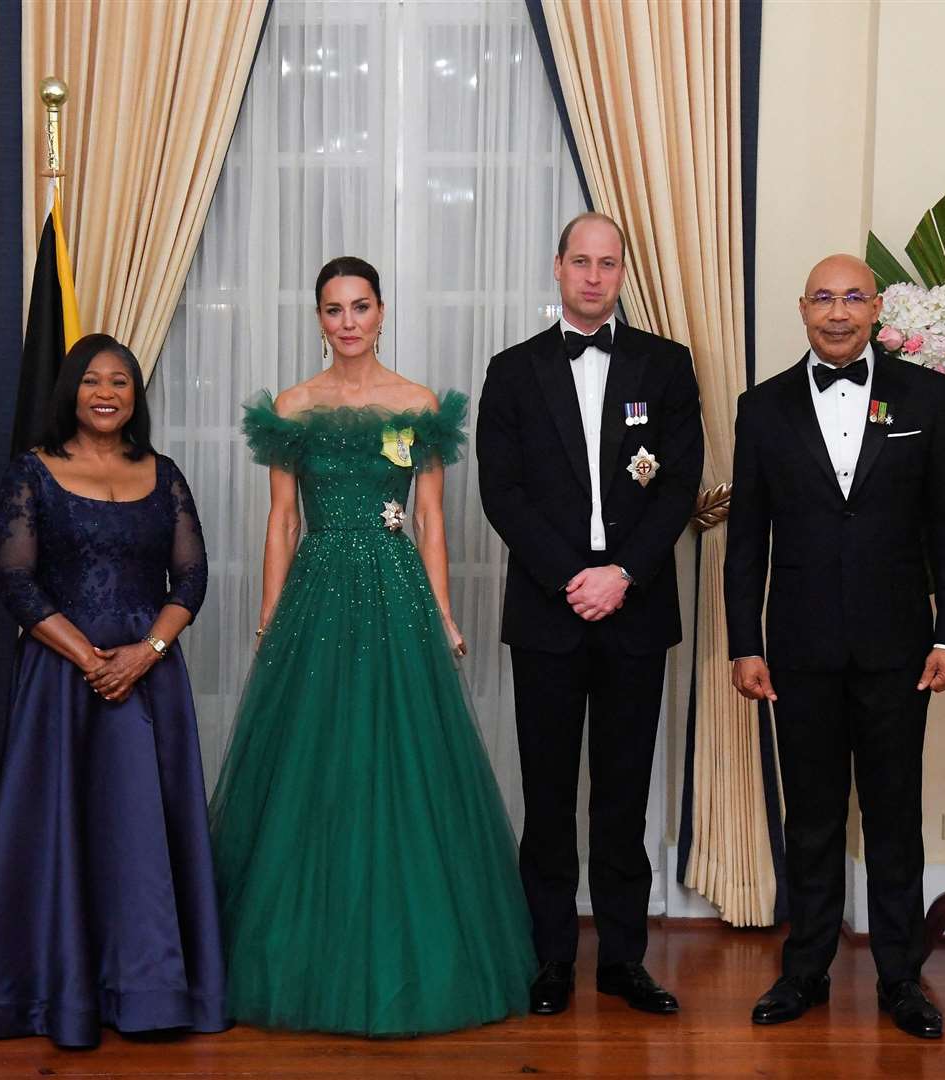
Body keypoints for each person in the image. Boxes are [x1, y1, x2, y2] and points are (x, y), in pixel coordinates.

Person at [207, 256, 536, 1037]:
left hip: (395, 594)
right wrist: (267, 616)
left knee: (402, 764)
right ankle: (300, 956)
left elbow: (430, 521)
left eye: (360, 307)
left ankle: (418, 955)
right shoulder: (294, 406)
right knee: (310, 769)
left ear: (382, 312)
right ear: (318, 319)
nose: (347, 321)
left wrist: (447, 615)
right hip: (317, 593)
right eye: (333, 309)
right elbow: (282, 520)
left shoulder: (416, 404)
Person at [0, 334, 227, 1048]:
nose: (108, 392)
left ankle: (149, 989)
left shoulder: (163, 473)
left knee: (140, 834)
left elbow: (190, 578)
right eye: (94, 380)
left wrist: (146, 653)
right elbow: (14, 580)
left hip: (149, 677)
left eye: (122, 382)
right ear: (71, 390)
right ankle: (51, 995)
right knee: (59, 828)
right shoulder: (32, 472)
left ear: (136, 396)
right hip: (60, 676)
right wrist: (90, 658)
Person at [723, 254, 945, 1040]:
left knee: (895, 818)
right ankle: (805, 973)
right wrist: (744, 642)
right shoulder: (760, 408)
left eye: (853, 298)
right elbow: (746, 540)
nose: (838, 313)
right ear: (802, 309)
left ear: (876, 310)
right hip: (796, 650)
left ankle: (902, 979)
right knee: (812, 821)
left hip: (901, 649)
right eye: (824, 299)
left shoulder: (926, 397)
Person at [476, 213, 703, 1016]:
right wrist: (576, 575)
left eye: (609, 263)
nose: (595, 277)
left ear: (622, 272)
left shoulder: (666, 366)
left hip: (635, 613)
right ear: (558, 267)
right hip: (548, 611)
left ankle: (624, 961)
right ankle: (549, 961)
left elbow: (680, 485)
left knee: (623, 793)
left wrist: (624, 576)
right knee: (546, 797)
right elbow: (500, 492)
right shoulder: (511, 371)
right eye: (582, 261)